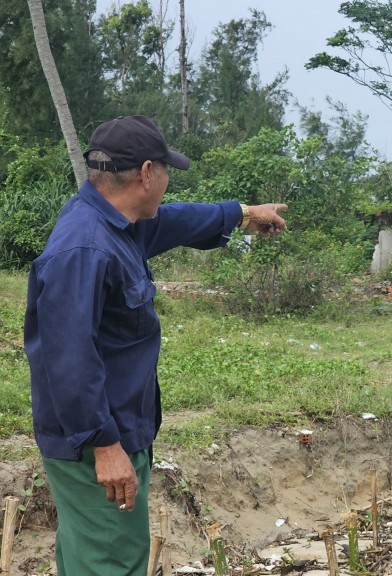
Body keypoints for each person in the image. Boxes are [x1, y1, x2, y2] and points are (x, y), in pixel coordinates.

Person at [23, 115, 288, 575]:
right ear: (147, 173)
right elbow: (67, 360)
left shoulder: (116, 224)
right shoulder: (85, 249)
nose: (167, 184)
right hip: (96, 446)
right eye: (167, 172)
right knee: (112, 563)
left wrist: (244, 214)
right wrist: (105, 447)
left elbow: (176, 221)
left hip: (115, 431)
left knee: (89, 562)